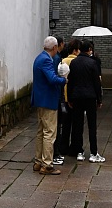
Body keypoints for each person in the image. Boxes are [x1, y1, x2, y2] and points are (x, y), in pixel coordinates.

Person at [32, 35, 67, 174]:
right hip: (48, 100)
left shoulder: (39, 58)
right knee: (50, 133)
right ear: (54, 47)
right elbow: (52, 79)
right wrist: (64, 80)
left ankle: (38, 161)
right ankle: (47, 164)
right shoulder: (47, 60)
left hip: (40, 100)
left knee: (41, 132)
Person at [68, 40, 105, 163]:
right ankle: (94, 153)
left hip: (77, 97)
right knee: (92, 125)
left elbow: (71, 82)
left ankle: (79, 152)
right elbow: (96, 83)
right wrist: (99, 99)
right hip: (90, 97)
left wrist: (70, 98)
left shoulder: (74, 62)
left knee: (78, 125)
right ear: (89, 49)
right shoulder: (93, 63)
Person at [53, 39, 80, 164]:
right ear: (75, 50)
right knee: (75, 123)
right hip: (71, 96)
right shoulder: (76, 62)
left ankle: (62, 147)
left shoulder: (62, 60)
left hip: (62, 95)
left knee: (64, 124)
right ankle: (74, 148)